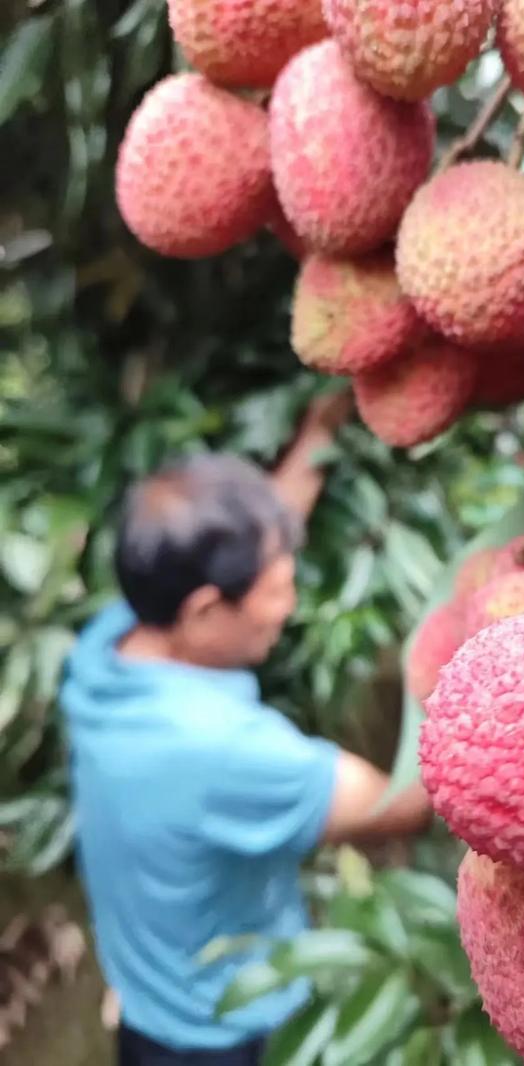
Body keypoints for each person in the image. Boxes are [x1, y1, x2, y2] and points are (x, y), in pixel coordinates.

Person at [59, 391, 433, 1066]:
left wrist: (318, 432)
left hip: (147, 1001)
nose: (287, 608)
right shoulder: (224, 751)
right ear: (204, 611)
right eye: (275, 592)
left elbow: (262, 527)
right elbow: (400, 803)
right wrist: (447, 658)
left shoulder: (109, 643)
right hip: (225, 1037)